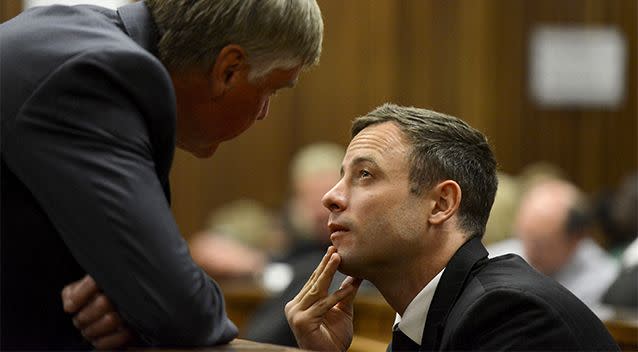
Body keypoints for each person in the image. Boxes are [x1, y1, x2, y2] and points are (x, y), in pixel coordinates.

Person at [0, 0, 323, 349]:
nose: (264, 113)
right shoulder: (97, 73)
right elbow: (184, 312)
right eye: (271, 90)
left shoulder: (72, 37)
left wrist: (135, 292)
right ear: (228, 70)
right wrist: (149, 295)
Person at [284, 103, 619, 351]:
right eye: (343, 176)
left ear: (441, 204)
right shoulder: (428, 313)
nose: (331, 197)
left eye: (365, 175)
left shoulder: (509, 315)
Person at [514, 179, 619, 309]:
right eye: (524, 237)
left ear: (576, 239)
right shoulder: (498, 258)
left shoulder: (605, 280)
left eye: (541, 244)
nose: (529, 250)